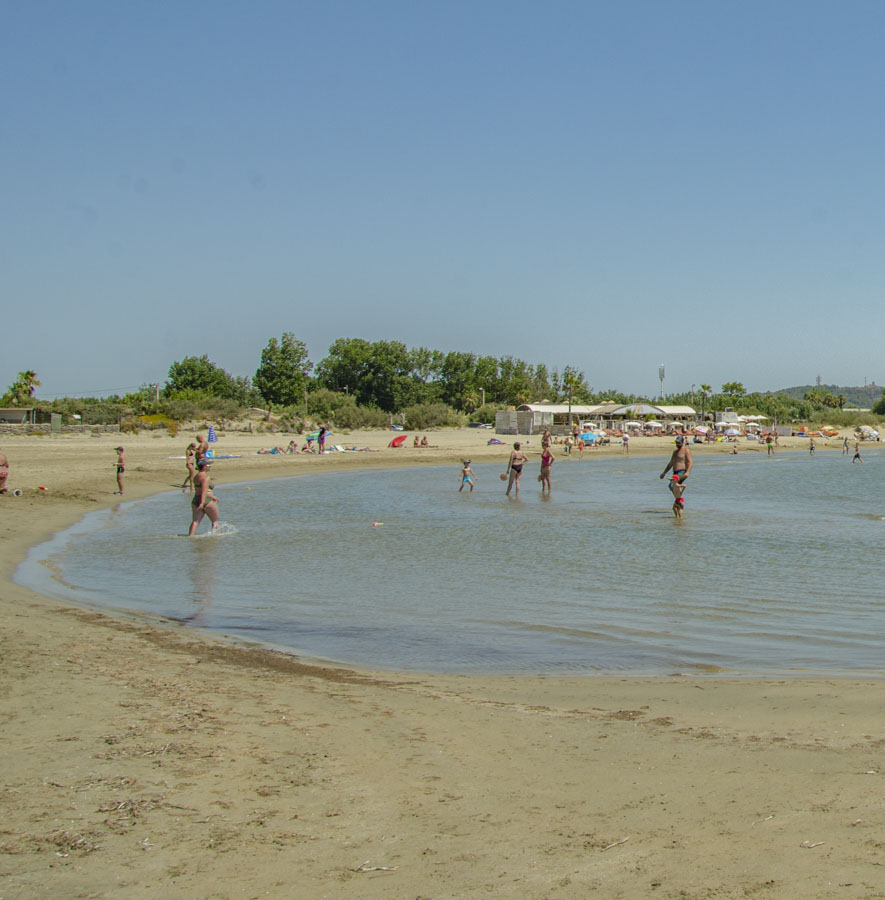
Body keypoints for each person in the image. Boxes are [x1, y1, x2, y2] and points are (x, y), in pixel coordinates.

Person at [189, 458, 220, 535]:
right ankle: (216, 538)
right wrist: (203, 503)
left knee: (195, 522)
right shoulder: (205, 477)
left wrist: (210, 497)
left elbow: (199, 489)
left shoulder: (196, 476)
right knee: (215, 522)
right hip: (206, 500)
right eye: (209, 465)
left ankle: (190, 537)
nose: (210, 466)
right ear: (204, 467)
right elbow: (204, 490)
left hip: (196, 499)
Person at [659, 435, 693, 508]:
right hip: (675, 473)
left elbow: (690, 462)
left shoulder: (686, 450)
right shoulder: (675, 451)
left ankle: (679, 500)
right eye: (676, 443)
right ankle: (678, 501)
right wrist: (664, 473)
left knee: (672, 485)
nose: (677, 444)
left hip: (682, 472)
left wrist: (687, 472)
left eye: (679, 443)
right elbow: (671, 463)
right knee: (672, 487)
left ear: (683, 442)